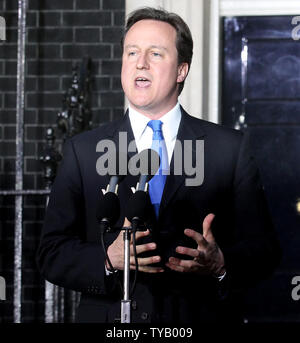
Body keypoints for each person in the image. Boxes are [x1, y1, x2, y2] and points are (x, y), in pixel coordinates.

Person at [37, 7, 281, 324]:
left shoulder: (229, 149)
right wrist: (107, 260)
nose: (140, 63)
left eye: (155, 53)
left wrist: (221, 263)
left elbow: (265, 251)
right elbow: (51, 252)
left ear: (181, 70)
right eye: (132, 52)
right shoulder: (83, 151)